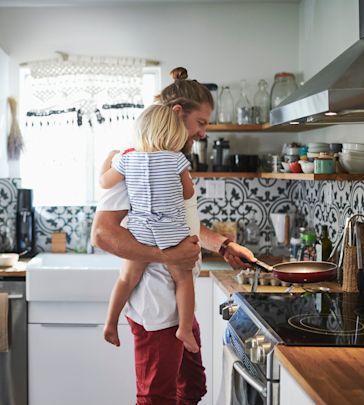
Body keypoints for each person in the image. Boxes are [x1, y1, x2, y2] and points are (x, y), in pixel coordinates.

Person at [91, 67, 256, 405]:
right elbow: (102, 236)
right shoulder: (132, 162)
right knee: (157, 398)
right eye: (202, 123)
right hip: (155, 306)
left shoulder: (171, 161)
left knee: (192, 389)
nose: (204, 132)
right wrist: (169, 256)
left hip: (179, 305)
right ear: (178, 113)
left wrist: (222, 246)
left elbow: (182, 223)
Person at [100, 103, 200, 354]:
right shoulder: (178, 159)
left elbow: (104, 182)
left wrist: (108, 160)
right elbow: (189, 193)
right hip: (172, 233)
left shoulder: (127, 159)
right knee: (183, 278)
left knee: (126, 278)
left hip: (140, 231)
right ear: (174, 133)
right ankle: (185, 329)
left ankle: (111, 323)